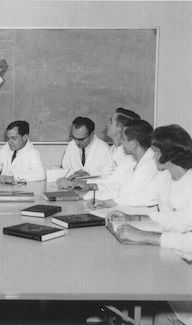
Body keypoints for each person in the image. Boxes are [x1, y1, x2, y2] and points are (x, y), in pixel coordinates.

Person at [106, 125, 192, 325]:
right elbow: (172, 218)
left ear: (167, 153)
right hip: (175, 261)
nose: (152, 157)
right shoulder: (168, 176)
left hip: (185, 269)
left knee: (156, 315)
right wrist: (132, 217)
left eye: (156, 152)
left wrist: (146, 236)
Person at [87, 119, 161, 209]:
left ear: (133, 144)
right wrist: (93, 196)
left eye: (123, 138)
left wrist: (100, 200)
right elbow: (119, 187)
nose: (121, 142)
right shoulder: (136, 161)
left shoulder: (148, 165)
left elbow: (126, 194)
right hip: (130, 207)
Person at [0, 120, 45, 184]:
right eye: (8, 138)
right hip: (3, 190)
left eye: (13, 138)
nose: (10, 142)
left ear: (25, 137)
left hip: (20, 194)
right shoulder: (7, 147)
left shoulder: (33, 153)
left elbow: (41, 174)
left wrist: (13, 178)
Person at [57, 116, 113, 188]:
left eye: (81, 139)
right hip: (73, 190)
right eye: (74, 138)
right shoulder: (71, 146)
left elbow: (110, 178)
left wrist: (89, 174)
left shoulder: (104, 149)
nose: (77, 142)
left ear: (92, 134)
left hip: (95, 193)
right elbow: (65, 170)